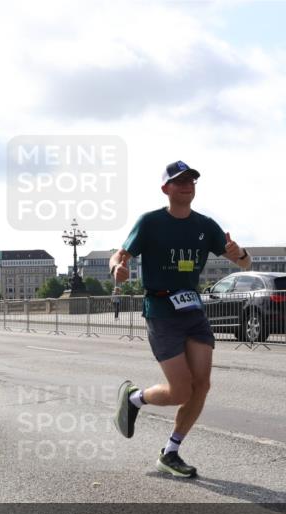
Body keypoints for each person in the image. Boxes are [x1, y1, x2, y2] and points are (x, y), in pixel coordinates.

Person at [109, 160, 251, 477]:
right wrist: (116, 268)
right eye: (179, 181)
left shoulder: (206, 226)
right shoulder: (150, 222)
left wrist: (238, 253)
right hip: (161, 312)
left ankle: (171, 451)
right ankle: (134, 399)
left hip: (193, 311)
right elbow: (120, 254)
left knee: (202, 385)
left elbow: (244, 262)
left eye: (191, 181)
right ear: (166, 188)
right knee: (181, 391)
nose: (187, 185)